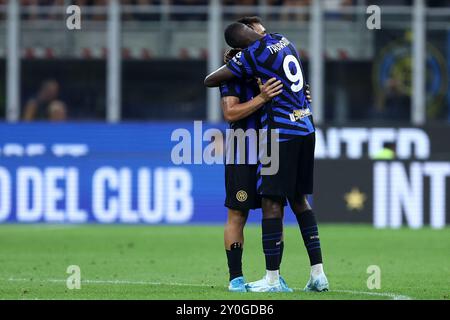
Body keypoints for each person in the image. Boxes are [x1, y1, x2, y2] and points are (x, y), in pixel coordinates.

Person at [204, 22, 329, 293]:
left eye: (262, 29)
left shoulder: (255, 56)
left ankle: (273, 278)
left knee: (276, 205)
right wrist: (271, 97)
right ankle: (239, 278)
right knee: (255, 210)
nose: (262, 32)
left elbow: (210, 79)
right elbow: (229, 112)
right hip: (262, 141)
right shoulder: (275, 45)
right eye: (257, 30)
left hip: (278, 138)